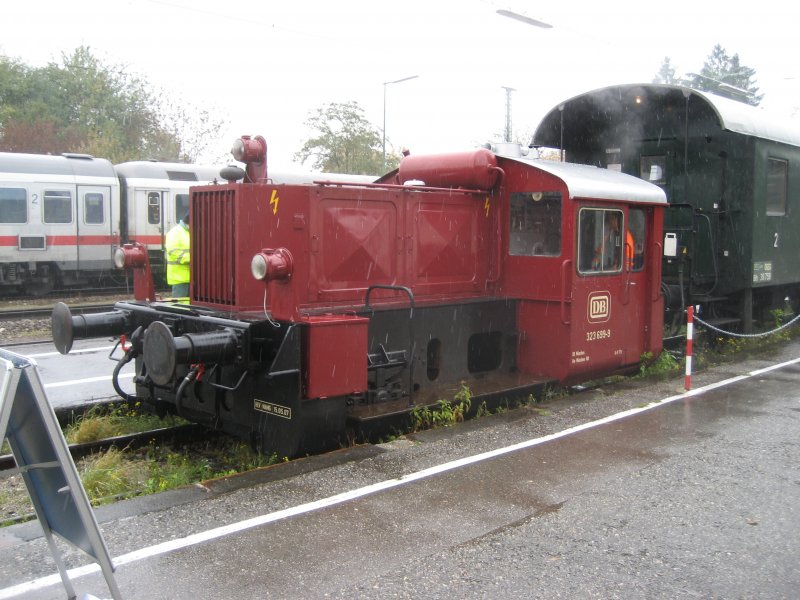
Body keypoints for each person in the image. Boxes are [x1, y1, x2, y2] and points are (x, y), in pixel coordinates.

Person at [165, 212, 190, 297]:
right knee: (180, 307)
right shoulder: (174, 233)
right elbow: (173, 252)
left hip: (191, 279)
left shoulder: (189, 232)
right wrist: (194, 259)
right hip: (180, 279)